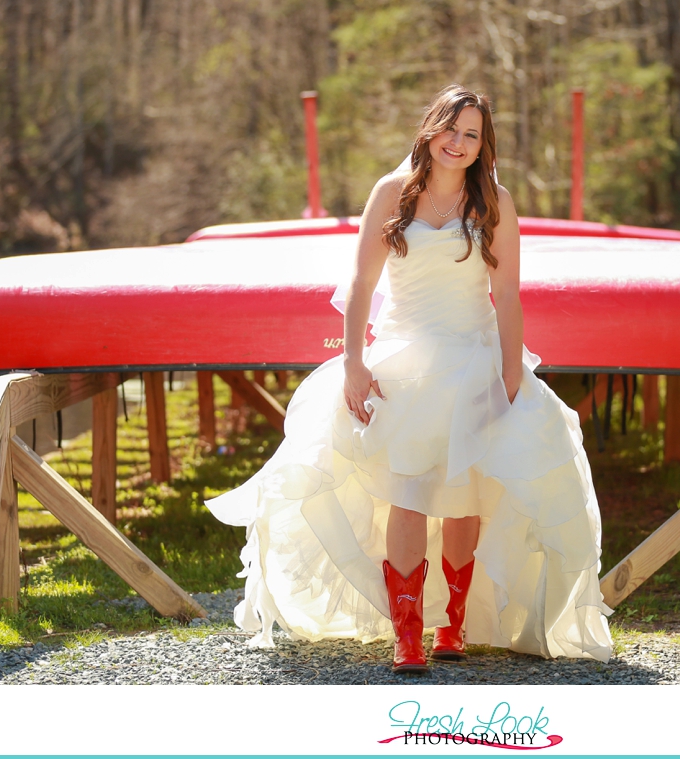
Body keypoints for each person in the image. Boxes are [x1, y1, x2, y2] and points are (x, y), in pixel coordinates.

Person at [207, 85, 612, 672]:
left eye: (472, 134)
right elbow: (362, 285)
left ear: (482, 146)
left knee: (466, 499)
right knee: (409, 497)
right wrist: (352, 360)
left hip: (475, 362)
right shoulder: (391, 193)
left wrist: (509, 372)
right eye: (451, 128)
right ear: (430, 130)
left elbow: (509, 295)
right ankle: (408, 635)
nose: (459, 142)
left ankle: (454, 627)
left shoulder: (494, 201)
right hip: (404, 363)